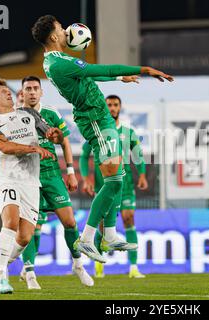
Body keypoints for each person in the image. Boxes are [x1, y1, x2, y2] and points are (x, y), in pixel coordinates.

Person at [31, 15, 173, 263]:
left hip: (99, 116)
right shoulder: (58, 64)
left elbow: (89, 77)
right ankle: (88, 238)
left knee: (116, 179)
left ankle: (108, 234)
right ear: (53, 36)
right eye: (61, 28)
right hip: (95, 119)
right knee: (114, 180)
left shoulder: (57, 61)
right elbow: (101, 69)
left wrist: (119, 79)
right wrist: (144, 69)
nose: (66, 31)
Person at [0, 78, 63, 294]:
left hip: (30, 182)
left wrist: (56, 135)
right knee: (10, 223)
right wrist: (32, 149)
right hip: (8, 179)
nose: (9, 94)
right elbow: (5, 147)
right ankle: (1, 278)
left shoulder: (30, 115)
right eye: (3, 92)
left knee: (25, 237)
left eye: (9, 91)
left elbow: (50, 134)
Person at [80, 95, 148, 278]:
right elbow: (84, 156)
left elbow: (138, 155)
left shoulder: (128, 132)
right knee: (102, 225)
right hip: (104, 184)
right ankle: (99, 265)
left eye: (115, 104)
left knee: (128, 218)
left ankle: (133, 267)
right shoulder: (99, 130)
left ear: (120, 107)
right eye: (109, 104)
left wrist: (142, 174)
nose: (112, 107)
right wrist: (86, 178)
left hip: (125, 184)